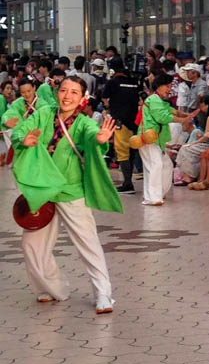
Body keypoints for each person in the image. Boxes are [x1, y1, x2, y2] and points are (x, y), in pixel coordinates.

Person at [11, 76, 121, 313]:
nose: (67, 96)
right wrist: (24, 140)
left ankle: (103, 294)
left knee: (88, 244)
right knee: (31, 245)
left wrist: (100, 140)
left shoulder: (83, 122)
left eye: (74, 92)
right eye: (63, 90)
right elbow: (21, 131)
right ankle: (51, 287)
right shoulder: (44, 113)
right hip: (43, 189)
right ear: (56, 92)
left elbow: (92, 134)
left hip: (71, 191)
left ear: (83, 98)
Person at [137, 73, 192, 206]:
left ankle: (156, 194)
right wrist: (182, 119)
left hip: (155, 140)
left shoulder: (159, 100)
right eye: (167, 86)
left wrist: (185, 115)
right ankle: (153, 197)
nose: (169, 89)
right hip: (149, 139)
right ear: (159, 86)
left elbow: (172, 111)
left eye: (170, 86)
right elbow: (162, 117)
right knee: (155, 166)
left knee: (164, 165)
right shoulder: (155, 99)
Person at [102, 58, 142, 194]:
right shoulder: (134, 82)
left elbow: (105, 100)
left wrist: (109, 107)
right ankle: (128, 181)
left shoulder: (112, 83)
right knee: (131, 151)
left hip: (120, 122)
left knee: (122, 152)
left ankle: (128, 183)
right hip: (135, 122)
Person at [177, 94, 209, 185]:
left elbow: (206, 137)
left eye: (202, 105)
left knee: (186, 149)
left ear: (207, 105)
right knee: (186, 148)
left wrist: (194, 143)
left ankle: (190, 176)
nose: (201, 107)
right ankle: (190, 176)